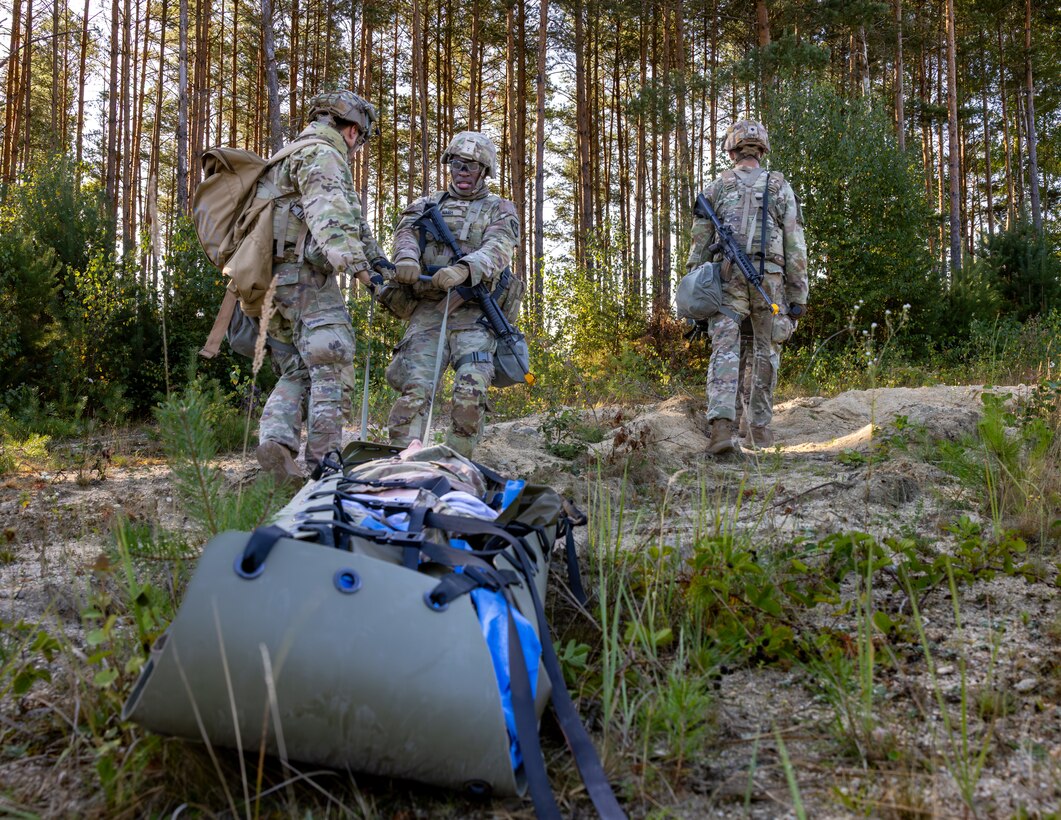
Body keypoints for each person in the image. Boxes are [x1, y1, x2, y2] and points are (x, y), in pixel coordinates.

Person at [255, 90, 394, 484]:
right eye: (361, 139)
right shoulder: (323, 154)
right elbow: (331, 218)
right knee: (332, 358)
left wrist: (380, 261)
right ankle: (325, 466)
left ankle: (277, 443)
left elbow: (353, 221)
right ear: (352, 130)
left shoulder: (290, 153)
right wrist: (364, 274)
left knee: (300, 366)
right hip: (305, 280)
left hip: (270, 281)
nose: (357, 147)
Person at [384, 131, 520, 458]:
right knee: (415, 391)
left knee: (470, 395)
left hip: (474, 315)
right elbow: (405, 235)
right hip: (430, 311)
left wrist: (465, 269)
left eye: (471, 166)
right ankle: (402, 464)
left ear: (484, 171)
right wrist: (406, 260)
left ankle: (456, 462)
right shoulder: (425, 206)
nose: (463, 172)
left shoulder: (500, 209)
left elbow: (500, 247)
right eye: (457, 164)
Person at [687, 119, 808, 454]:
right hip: (770, 279)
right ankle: (757, 431)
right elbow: (795, 245)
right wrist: (798, 295)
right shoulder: (780, 187)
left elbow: (699, 245)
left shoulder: (716, 187)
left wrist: (694, 290)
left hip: (728, 279)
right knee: (766, 349)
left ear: (731, 151)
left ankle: (721, 429)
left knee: (725, 347)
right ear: (762, 150)